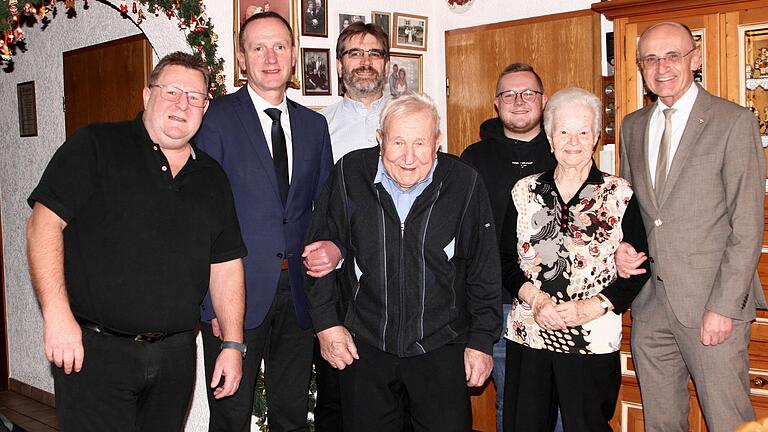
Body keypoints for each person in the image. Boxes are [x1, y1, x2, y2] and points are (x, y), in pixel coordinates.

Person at [26, 51, 247, 431]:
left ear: (206, 107)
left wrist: (232, 344)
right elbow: (41, 226)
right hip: (95, 352)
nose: (183, 104)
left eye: (195, 97)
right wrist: (57, 316)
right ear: (147, 95)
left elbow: (225, 265)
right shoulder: (95, 145)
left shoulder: (213, 178)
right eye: (172, 91)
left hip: (176, 357)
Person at [305, 93, 502, 432]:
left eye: (420, 143)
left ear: (437, 142)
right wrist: (327, 324)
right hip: (365, 346)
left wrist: (481, 342)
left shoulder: (464, 182)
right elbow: (319, 253)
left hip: (441, 345)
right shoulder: (350, 173)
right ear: (380, 139)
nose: (409, 157)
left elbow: (484, 269)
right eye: (397, 142)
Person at [619, 21, 765, 432]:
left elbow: (747, 224)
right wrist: (622, 248)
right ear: (640, 67)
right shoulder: (632, 126)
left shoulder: (733, 121)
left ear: (694, 59)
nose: (661, 67)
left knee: (728, 421)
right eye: (650, 58)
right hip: (649, 306)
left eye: (672, 56)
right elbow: (631, 212)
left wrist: (723, 305)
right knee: (661, 423)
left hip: (711, 306)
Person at [195, 11, 337, 432]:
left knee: (292, 411)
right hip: (233, 294)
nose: (270, 57)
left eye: (279, 46)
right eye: (258, 47)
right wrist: (211, 302)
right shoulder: (215, 119)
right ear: (242, 58)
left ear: (294, 55)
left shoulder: (314, 126)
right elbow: (200, 218)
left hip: (297, 293)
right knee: (231, 414)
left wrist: (336, 249)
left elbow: (325, 210)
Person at [500, 87, 650, 431]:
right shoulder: (524, 191)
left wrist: (593, 306)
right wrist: (536, 300)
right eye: (564, 132)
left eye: (583, 132)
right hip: (531, 332)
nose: (573, 141)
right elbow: (506, 260)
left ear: (596, 137)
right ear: (550, 137)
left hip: (591, 337)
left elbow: (640, 267)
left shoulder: (619, 193)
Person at [460, 62, 554, 432]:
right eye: (508, 94)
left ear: (543, 101)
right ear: (495, 104)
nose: (518, 101)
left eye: (528, 93)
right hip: (497, 307)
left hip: (558, 304)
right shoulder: (474, 159)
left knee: (561, 401)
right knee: (513, 404)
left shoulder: (564, 149)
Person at [311, 22, 390, 430]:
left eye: (374, 53)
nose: (365, 62)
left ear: (387, 63)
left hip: (398, 278)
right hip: (339, 283)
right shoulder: (317, 128)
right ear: (340, 65)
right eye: (355, 54)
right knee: (337, 397)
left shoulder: (409, 119)